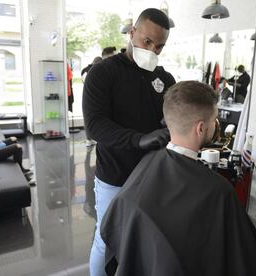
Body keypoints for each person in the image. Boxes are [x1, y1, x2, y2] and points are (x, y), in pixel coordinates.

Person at [101, 81, 256, 276]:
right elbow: (240, 253)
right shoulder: (218, 189)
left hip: (150, 263)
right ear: (201, 128)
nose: (215, 124)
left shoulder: (148, 161)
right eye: (214, 120)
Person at [82, 8, 175, 276]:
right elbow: (95, 126)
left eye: (159, 46)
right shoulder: (103, 73)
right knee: (107, 240)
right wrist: (139, 139)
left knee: (147, 239)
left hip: (153, 176)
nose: (153, 50)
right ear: (131, 33)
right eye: (147, 42)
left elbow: (175, 114)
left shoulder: (164, 78)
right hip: (115, 176)